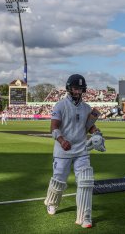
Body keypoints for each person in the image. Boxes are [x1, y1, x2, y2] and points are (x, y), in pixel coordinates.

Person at [44, 74, 106, 229]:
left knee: (85, 182)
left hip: (82, 149)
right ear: (69, 88)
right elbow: (53, 127)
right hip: (62, 150)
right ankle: (51, 202)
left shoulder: (86, 108)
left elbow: (89, 126)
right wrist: (61, 140)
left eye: (80, 89)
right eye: (75, 88)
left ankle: (84, 216)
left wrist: (96, 132)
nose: (77, 91)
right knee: (59, 181)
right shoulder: (60, 105)